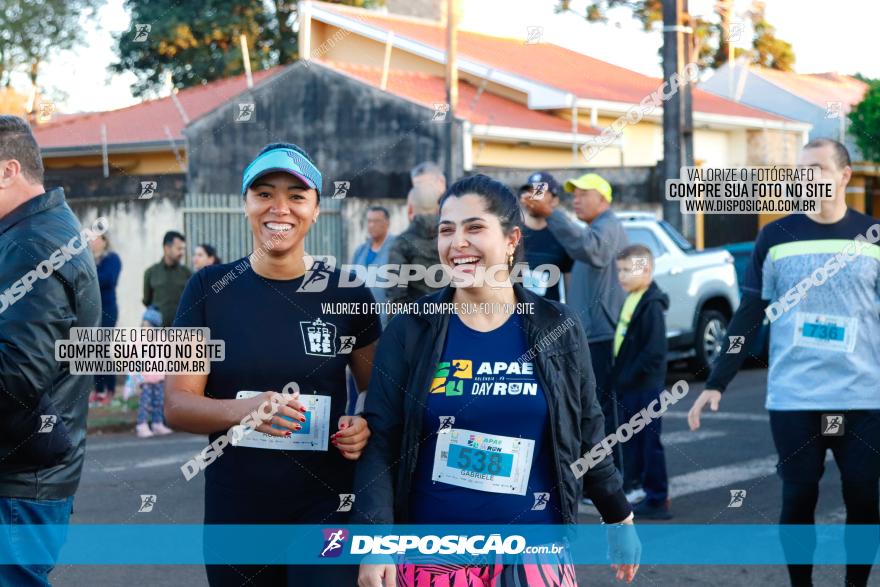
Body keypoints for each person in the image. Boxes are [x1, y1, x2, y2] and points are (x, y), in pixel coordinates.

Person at [354, 174, 638, 586]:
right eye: (446, 230)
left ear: (510, 240)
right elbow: (380, 441)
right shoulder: (411, 328)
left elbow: (587, 429)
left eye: (474, 228)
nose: (457, 243)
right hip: (434, 560)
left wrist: (619, 516)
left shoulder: (556, 325)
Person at [165, 142, 380, 587]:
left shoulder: (348, 291)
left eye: (296, 196)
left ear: (316, 209)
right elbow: (177, 404)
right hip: (238, 509)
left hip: (327, 505)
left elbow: (378, 398)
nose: (279, 207)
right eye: (263, 193)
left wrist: (362, 425)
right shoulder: (206, 288)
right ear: (245, 203)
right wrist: (244, 411)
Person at [688, 138, 880, 587]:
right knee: (798, 497)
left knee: (864, 499)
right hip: (796, 397)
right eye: (801, 169)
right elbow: (750, 314)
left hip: (862, 397)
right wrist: (716, 382)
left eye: (817, 168)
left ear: (844, 176)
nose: (806, 177)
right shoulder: (775, 237)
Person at [0, 115, 101, 586]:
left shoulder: (33, 244)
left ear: (8, 170)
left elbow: (15, 376)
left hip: (20, 484)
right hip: (27, 475)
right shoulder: (38, 233)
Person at [521, 172, 628, 496]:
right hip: (591, 333)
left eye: (583, 194)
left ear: (604, 199)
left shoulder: (607, 226)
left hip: (603, 334)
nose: (576, 199)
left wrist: (552, 214)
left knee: (603, 415)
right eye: (574, 194)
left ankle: (613, 487)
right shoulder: (590, 229)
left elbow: (591, 251)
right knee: (590, 411)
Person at [609, 245, 670, 518]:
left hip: (645, 388)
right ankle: (642, 490)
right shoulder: (634, 297)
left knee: (649, 444)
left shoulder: (651, 304)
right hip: (630, 387)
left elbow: (654, 351)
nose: (621, 276)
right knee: (633, 443)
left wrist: (628, 374)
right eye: (619, 270)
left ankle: (658, 499)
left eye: (626, 270)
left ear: (645, 270)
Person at [386, 172, 446, 306]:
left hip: (417, 321)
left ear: (410, 209)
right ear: (438, 209)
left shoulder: (401, 244)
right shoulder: (454, 239)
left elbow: (396, 298)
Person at [518, 171, 574, 301]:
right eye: (530, 192)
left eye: (539, 193)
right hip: (515, 316)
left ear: (554, 200)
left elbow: (569, 289)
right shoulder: (511, 234)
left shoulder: (562, 237)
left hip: (550, 316)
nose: (533, 197)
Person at [89, 231, 122, 406]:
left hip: (107, 309)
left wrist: (88, 274)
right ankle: (97, 390)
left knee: (103, 349)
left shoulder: (112, 259)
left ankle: (110, 390)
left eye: (95, 238)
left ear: (104, 241)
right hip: (90, 310)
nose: (92, 241)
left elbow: (107, 280)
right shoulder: (88, 259)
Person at [132, 306, 173, 438]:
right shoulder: (139, 342)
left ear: (155, 326)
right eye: (143, 325)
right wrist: (135, 379)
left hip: (160, 378)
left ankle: (157, 423)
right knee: (145, 403)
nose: (144, 328)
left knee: (159, 402)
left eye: (147, 325)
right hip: (145, 379)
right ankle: (141, 425)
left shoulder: (162, 340)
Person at [351, 206, 395, 325]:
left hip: (388, 321)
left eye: (376, 221)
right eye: (369, 221)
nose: (371, 225)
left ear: (387, 223)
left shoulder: (396, 249)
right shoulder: (360, 251)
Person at [143, 230, 191, 327]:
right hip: (157, 331)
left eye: (183, 249)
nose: (182, 252)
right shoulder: (151, 272)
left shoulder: (187, 273)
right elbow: (147, 300)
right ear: (167, 248)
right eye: (179, 249)